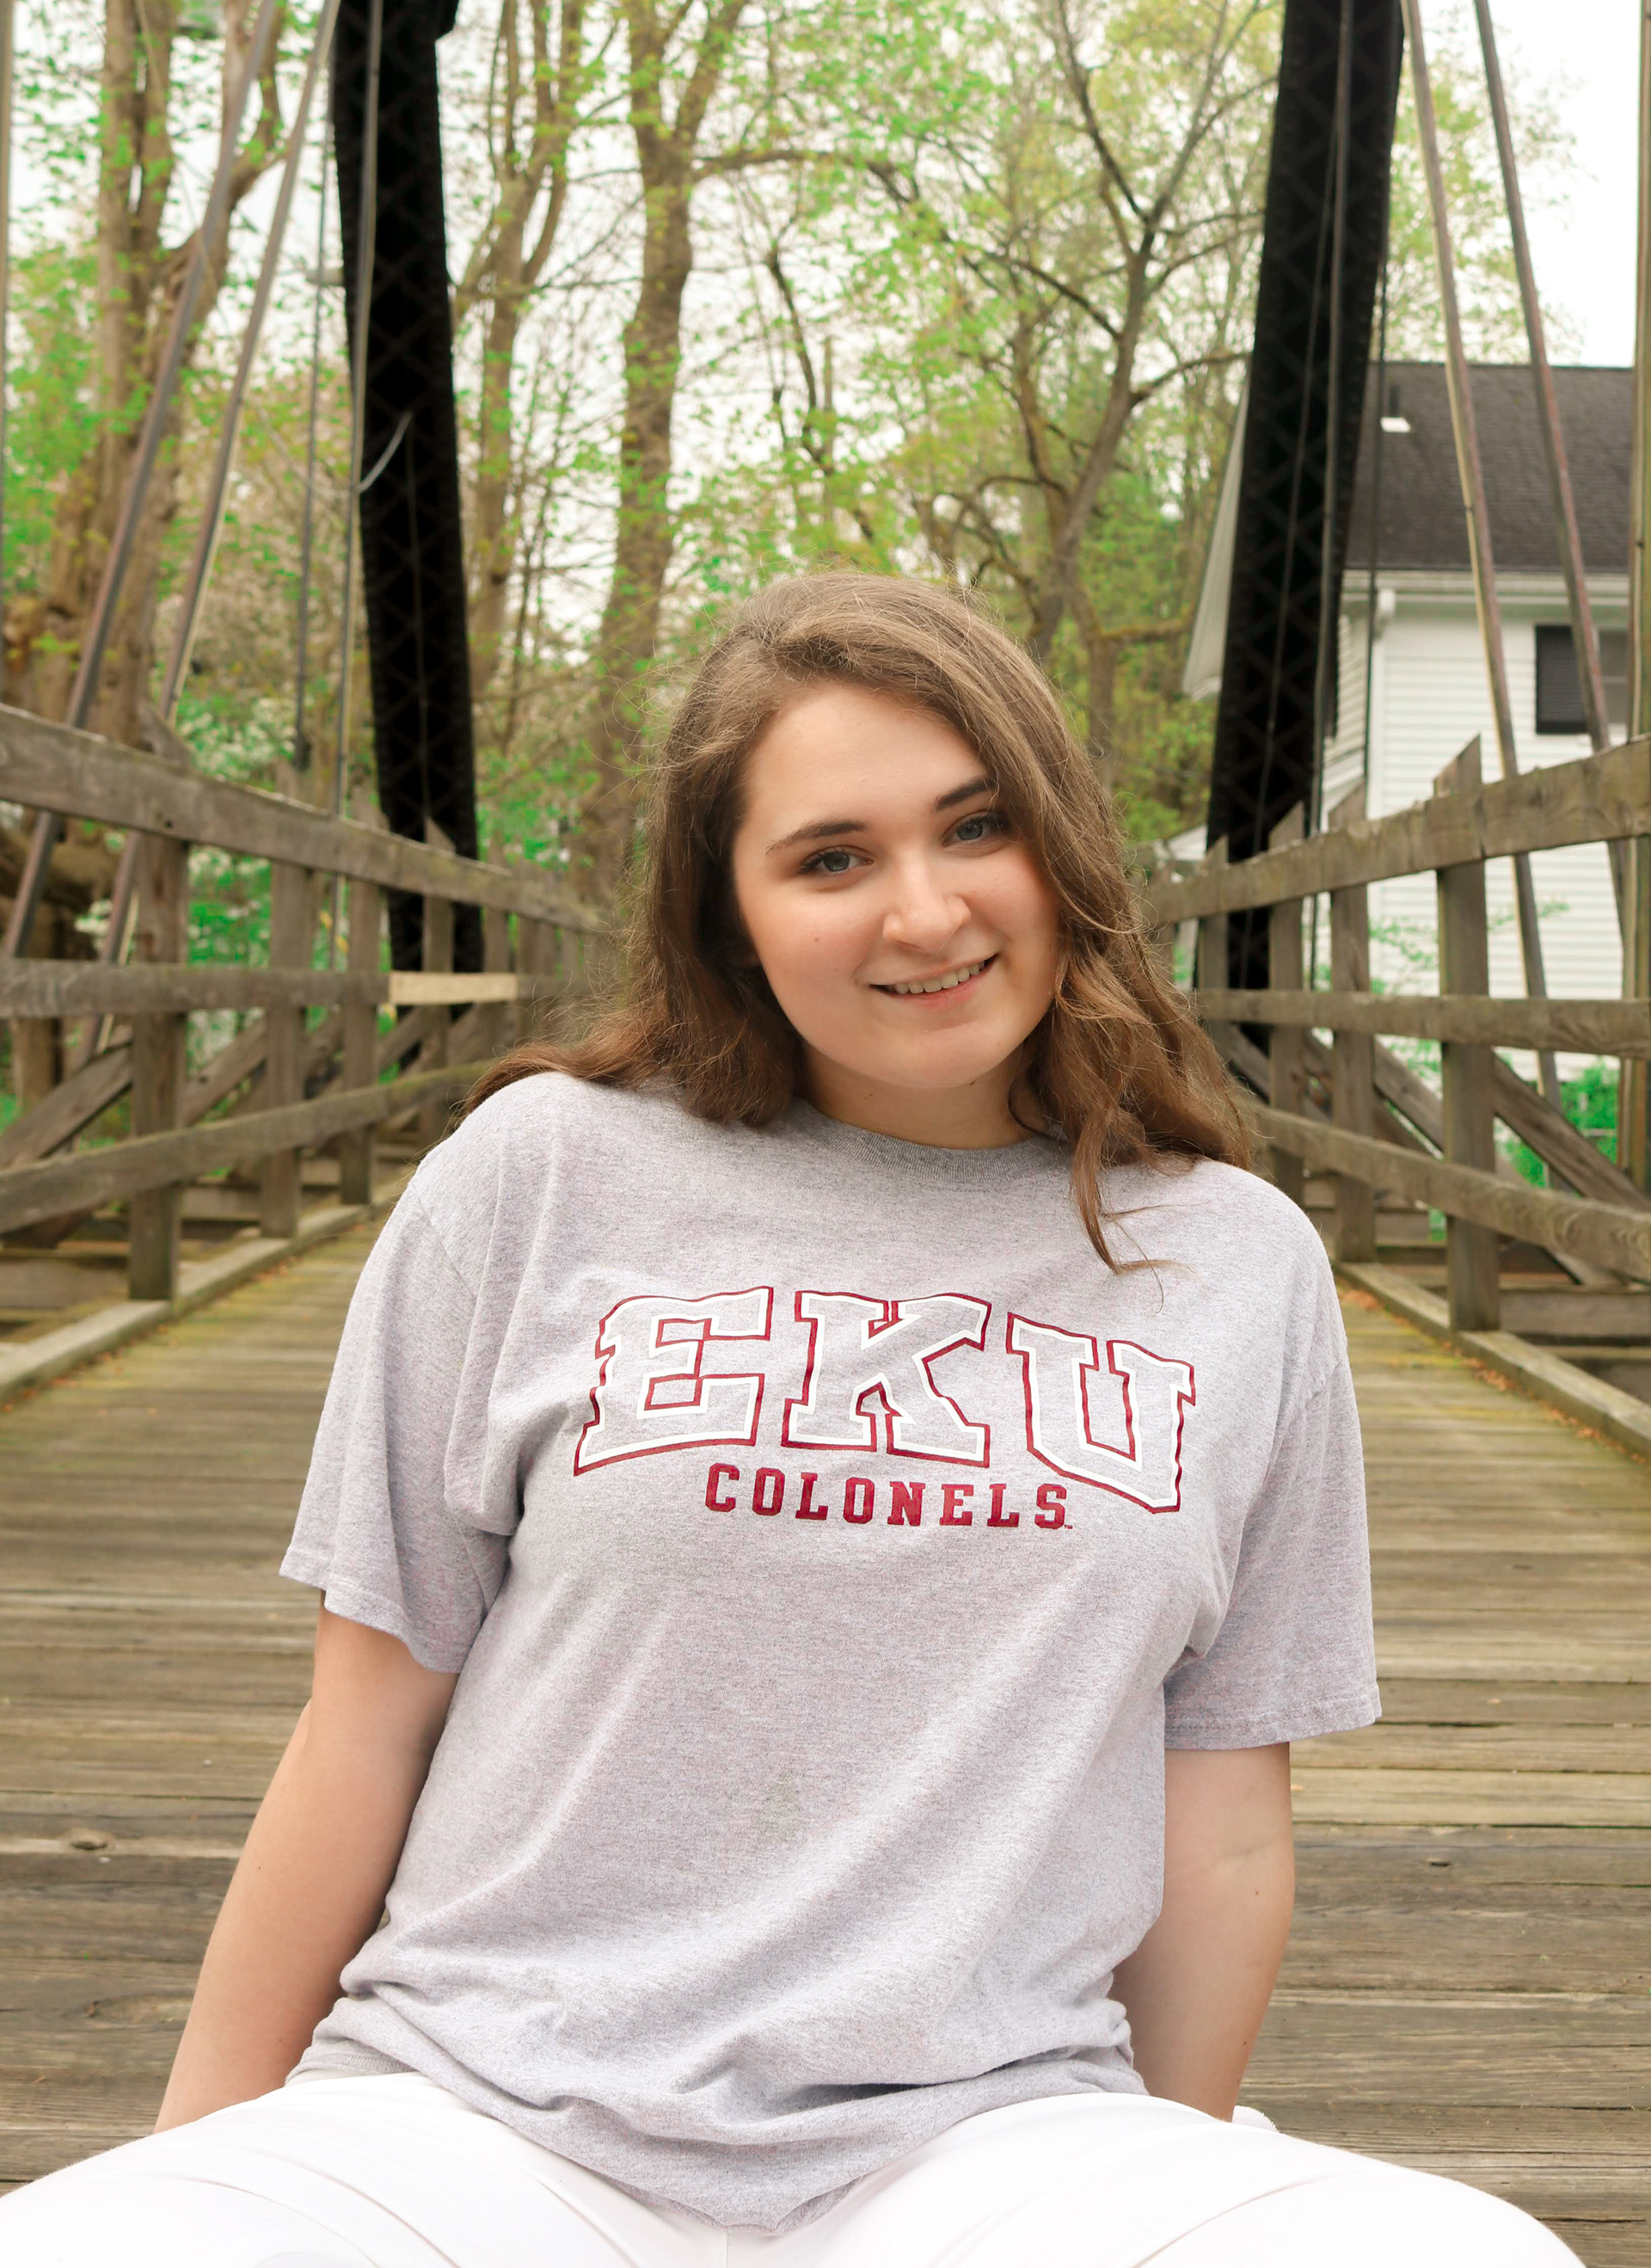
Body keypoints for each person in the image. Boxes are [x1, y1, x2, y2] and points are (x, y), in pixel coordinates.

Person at [3, 575, 1574, 2267]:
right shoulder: (540, 1174)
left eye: (978, 827)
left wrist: (1166, 2186)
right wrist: (197, 2169)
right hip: (482, 2115)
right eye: (833, 859)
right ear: (729, 913)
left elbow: (1227, 1815)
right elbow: (362, 1730)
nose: (927, 912)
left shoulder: (1237, 1263)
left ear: (1063, 846)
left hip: (993, 2137)